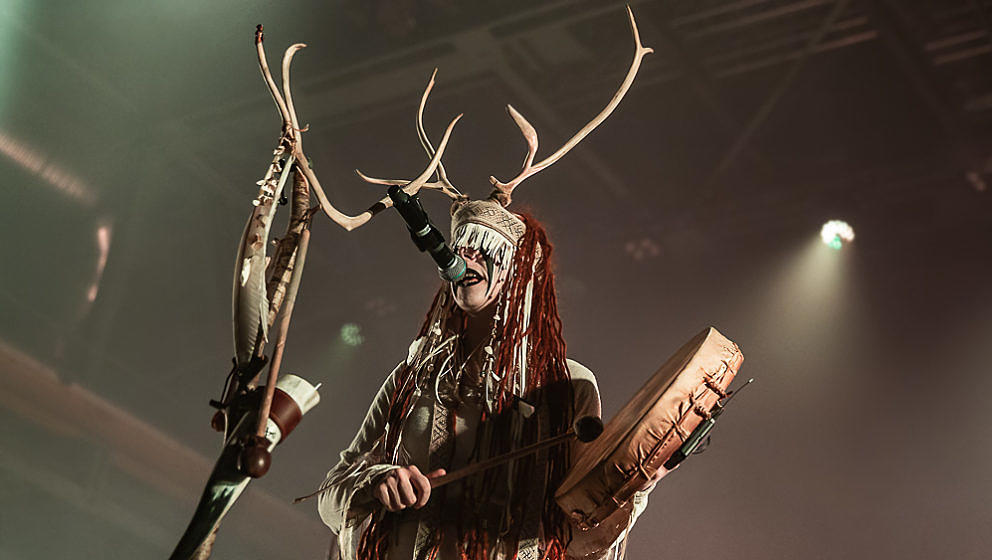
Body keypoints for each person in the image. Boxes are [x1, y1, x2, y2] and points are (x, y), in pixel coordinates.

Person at [317, 199, 667, 560]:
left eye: (484, 249)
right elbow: (329, 497)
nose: (465, 257)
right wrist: (376, 481)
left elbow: (581, 527)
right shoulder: (414, 376)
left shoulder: (567, 387)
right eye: (459, 247)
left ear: (520, 272)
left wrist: (631, 485)